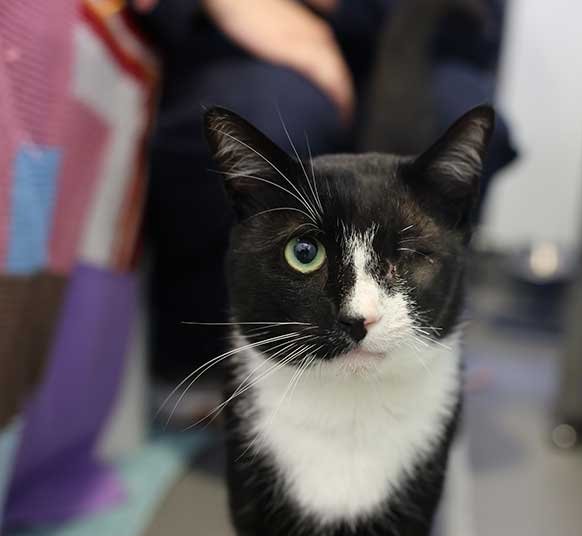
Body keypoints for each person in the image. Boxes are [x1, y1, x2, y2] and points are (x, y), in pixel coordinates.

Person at [131, 0, 516, 383]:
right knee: (272, 120)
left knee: (460, 122)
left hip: (419, 25)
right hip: (254, 22)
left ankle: (425, 356)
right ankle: (209, 371)